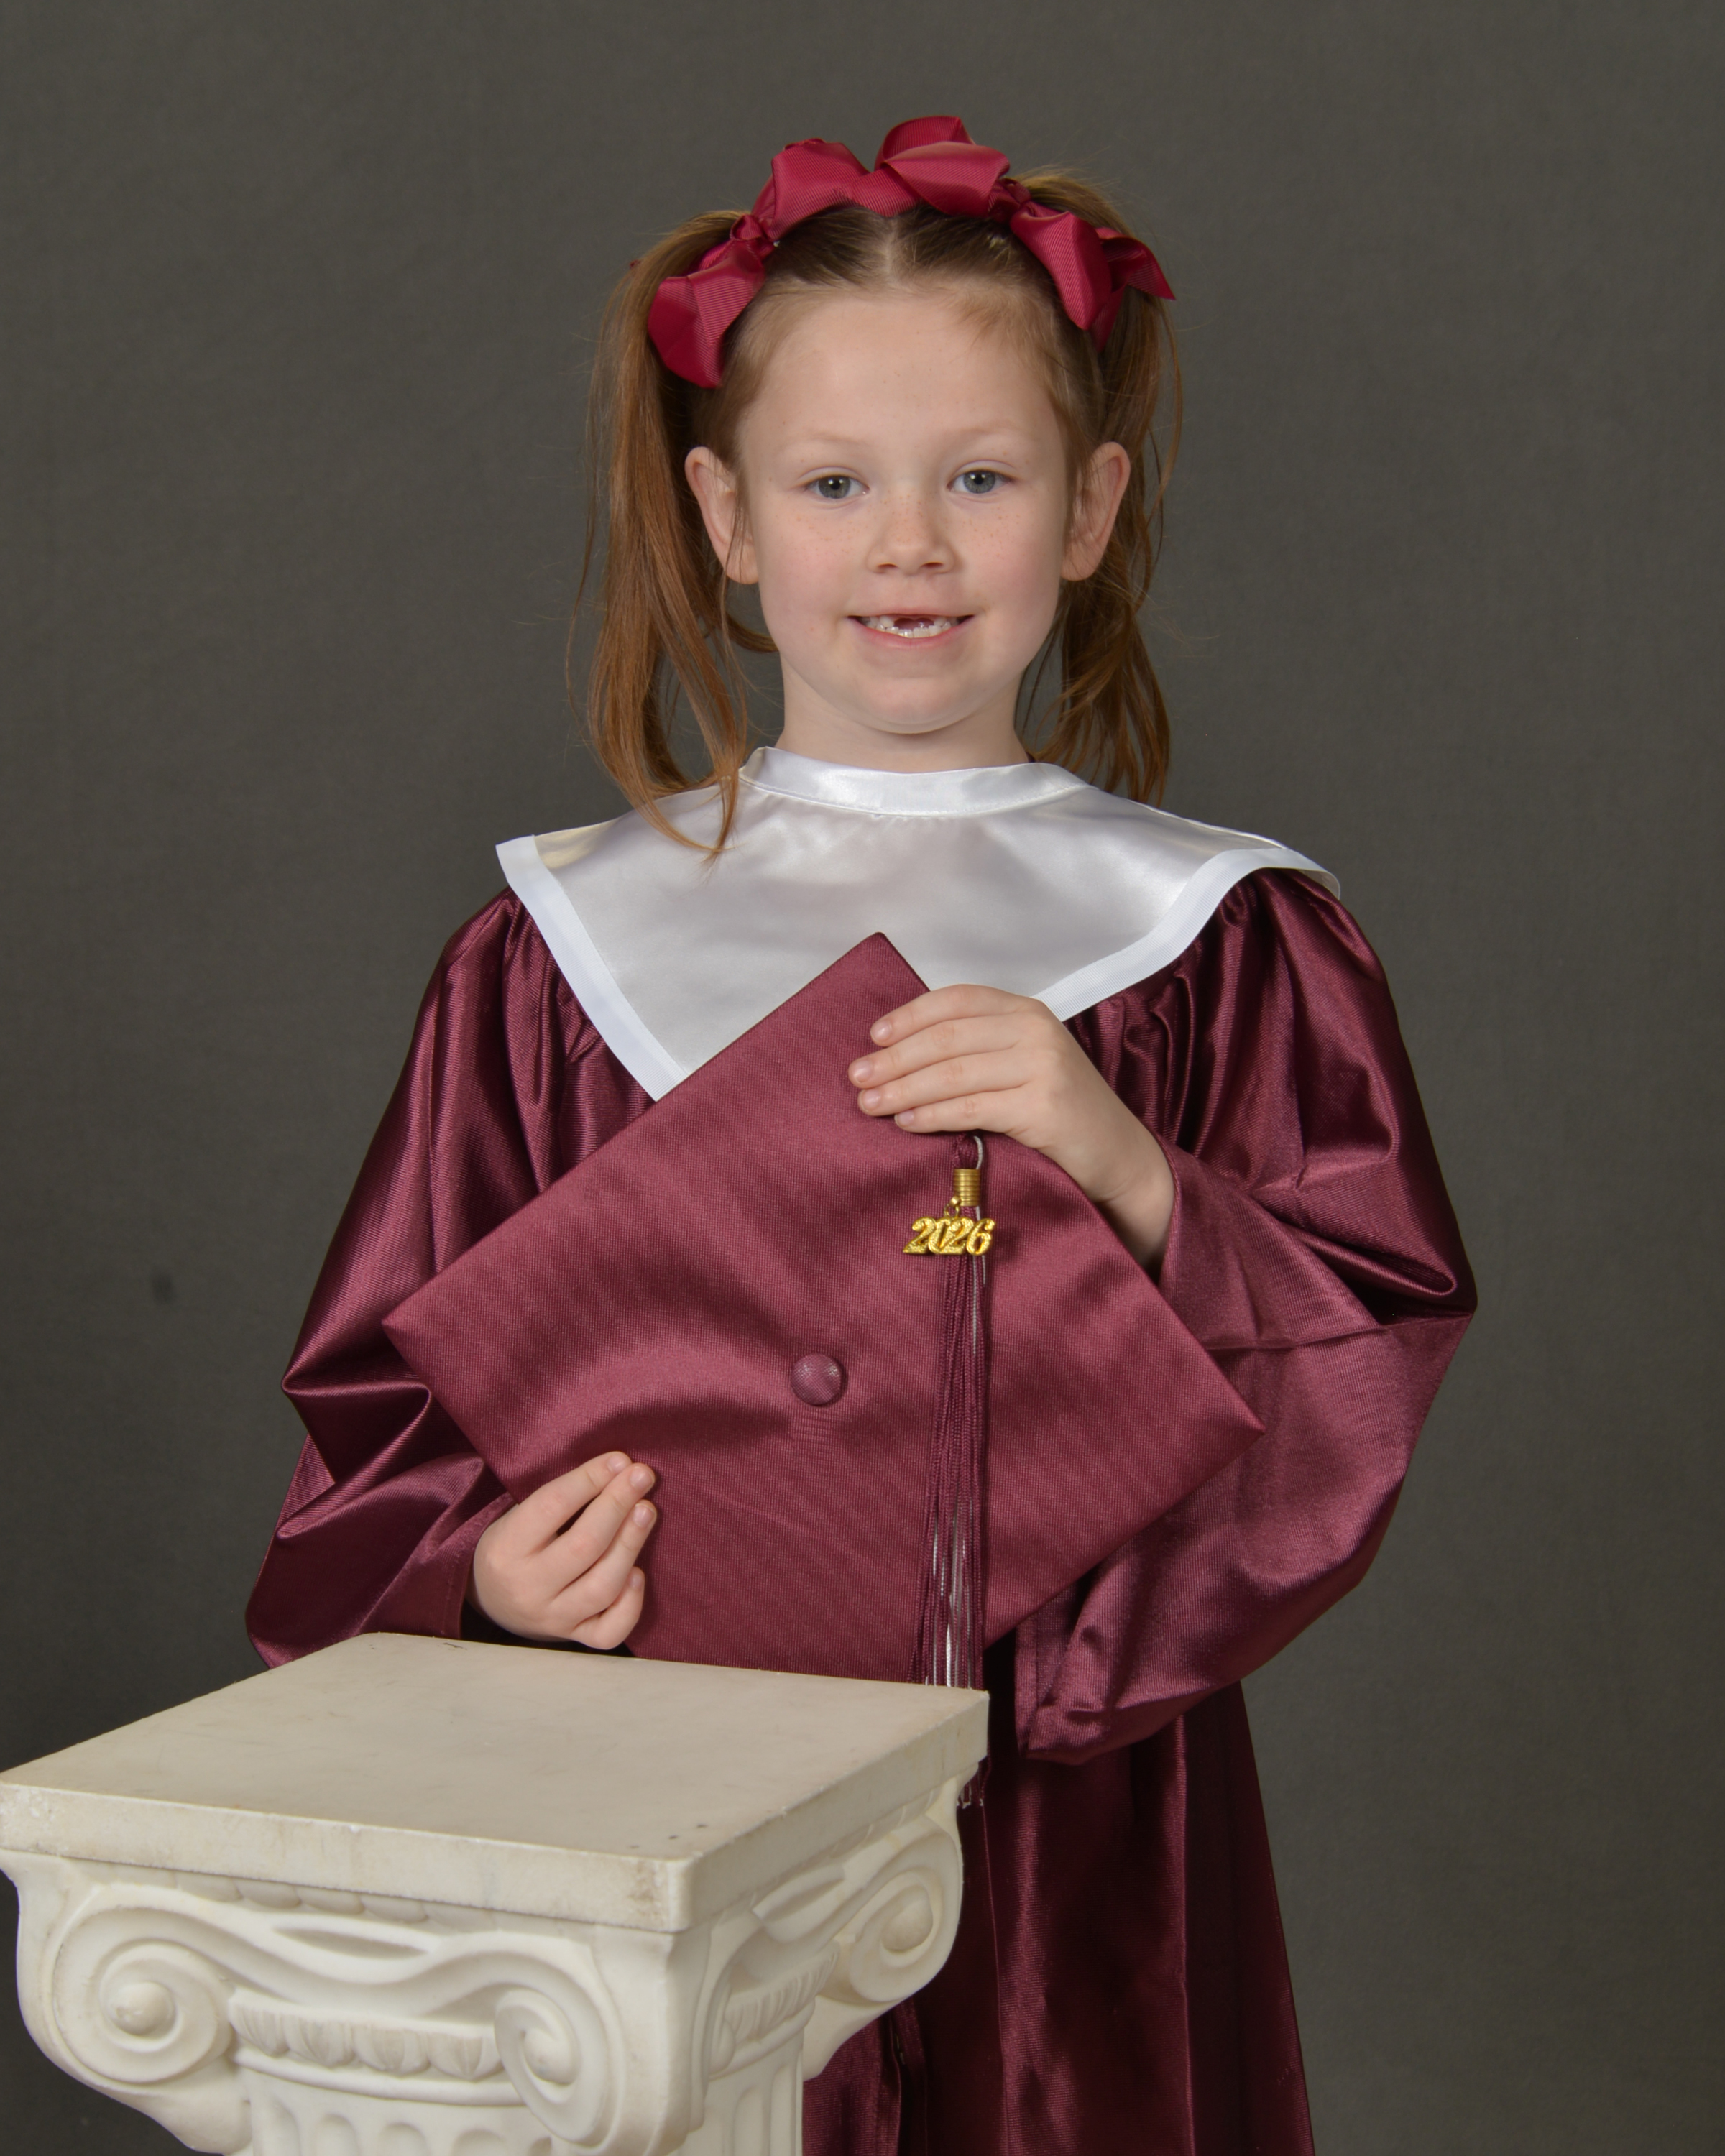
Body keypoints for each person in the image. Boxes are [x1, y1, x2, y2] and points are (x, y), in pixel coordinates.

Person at [248, 117, 1473, 2155]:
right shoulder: (556, 958)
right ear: (725, 516)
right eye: (835, 485)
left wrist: (1130, 1166)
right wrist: (479, 1580)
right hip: (649, 1799)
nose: (911, 546)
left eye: (980, 479)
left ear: (1089, 507)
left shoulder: (1214, 939)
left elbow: (1362, 1332)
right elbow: (381, 1415)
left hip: (1074, 1833)